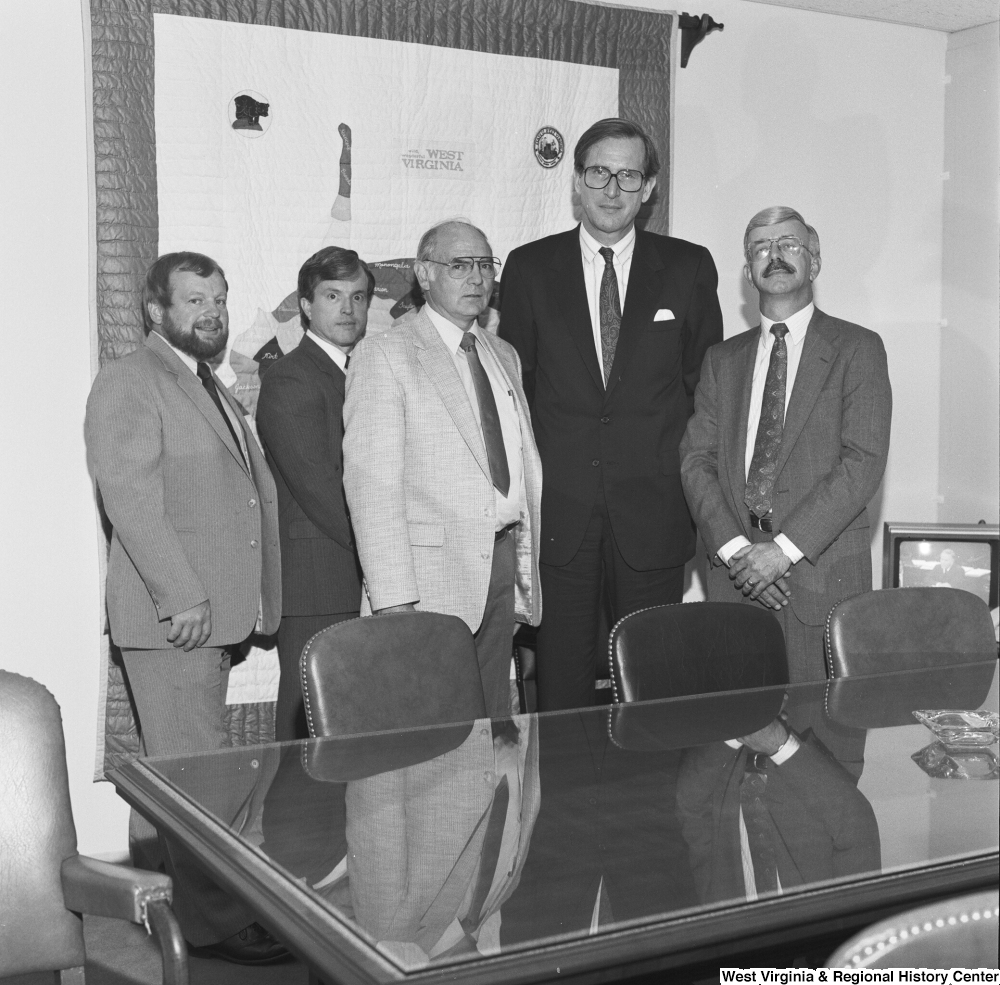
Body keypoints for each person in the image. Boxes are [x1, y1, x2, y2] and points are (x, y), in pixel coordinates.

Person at [85, 252, 287, 965]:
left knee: (170, 774)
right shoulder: (131, 380)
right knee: (197, 777)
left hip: (203, 617)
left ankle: (158, 907)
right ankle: (214, 925)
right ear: (155, 309)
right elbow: (131, 501)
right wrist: (185, 595)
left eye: (220, 301)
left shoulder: (207, 382)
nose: (212, 313)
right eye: (194, 300)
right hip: (176, 617)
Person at [498, 117, 723, 712]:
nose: (613, 188)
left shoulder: (688, 267)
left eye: (629, 174)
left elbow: (707, 393)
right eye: (599, 172)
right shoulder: (527, 267)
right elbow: (516, 395)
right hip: (559, 516)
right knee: (563, 685)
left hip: (653, 511)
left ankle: (649, 804)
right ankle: (561, 805)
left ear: (649, 188)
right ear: (576, 181)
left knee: (652, 682)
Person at [680, 207, 892, 693]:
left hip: (820, 582)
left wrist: (781, 552)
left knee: (824, 743)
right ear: (748, 271)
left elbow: (862, 464)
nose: (773, 256)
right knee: (734, 736)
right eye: (760, 248)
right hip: (735, 584)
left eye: (789, 245)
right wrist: (739, 553)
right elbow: (696, 461)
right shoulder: (721, 360)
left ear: (814, 262)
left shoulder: (858, 349)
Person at [343, 220, 542, 718]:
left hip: (500, 565)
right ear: (424, 274)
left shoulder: (503, 354)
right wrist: (393, 600)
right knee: (427, 738)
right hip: (424, 582)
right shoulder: (385, 354)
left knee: (489, 726)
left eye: (484, 265)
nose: (476, 278)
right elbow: (371, 486)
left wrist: (519, 578)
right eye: (459, 265)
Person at [256, 246, 369, 740]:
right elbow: (320, 487)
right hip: (318, 578)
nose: (348, 309)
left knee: (350, 722)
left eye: (358, 297)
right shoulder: (291, 376)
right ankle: (290, 818)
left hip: (355, 573)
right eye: (333, 295)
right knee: (305, 721)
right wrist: (384, 552)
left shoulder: (360, 373)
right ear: (305, 305)